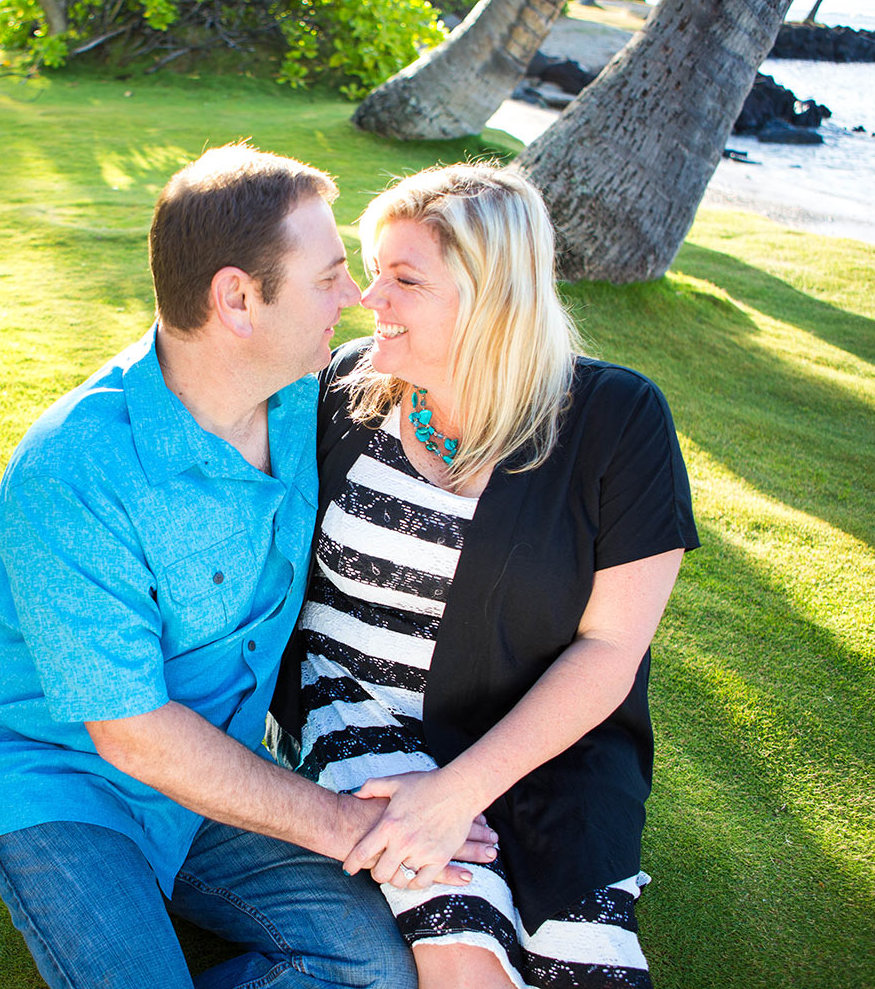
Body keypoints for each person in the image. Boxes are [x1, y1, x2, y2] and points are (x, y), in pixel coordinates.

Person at [0, 144, 498, 989]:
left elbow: (463, 380)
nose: (355, 299)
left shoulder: (306, 402)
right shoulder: (73, 472)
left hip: (222, 775)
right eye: (330, 277)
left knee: (374, 972)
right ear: (238, 299)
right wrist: (349, 825)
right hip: (66, 784)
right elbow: (130, 731)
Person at [270, 163, 699, 989]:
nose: (369, 299)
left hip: (545, 742)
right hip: (355, 713)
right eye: (374, 271)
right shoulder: (343, 394)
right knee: (465, 963)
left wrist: (456, 791)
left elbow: (612, 648)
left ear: (493, 295)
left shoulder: (616, 422)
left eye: (404, 279)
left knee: (591, 972)